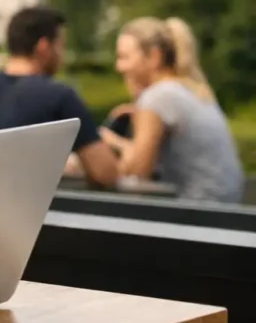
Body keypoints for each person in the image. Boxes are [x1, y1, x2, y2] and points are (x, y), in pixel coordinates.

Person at [0, 6, 118, 187]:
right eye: (60, 46)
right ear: (43, 47)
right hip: (33, 213)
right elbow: (105, 173)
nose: (62, 55)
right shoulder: (59, 97)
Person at [103, 17, 243, 203]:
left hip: (196, 217)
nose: (119, 67)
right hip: (228, 211)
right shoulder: (191, 89)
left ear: (154, 57)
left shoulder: (157, 97)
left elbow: (137, 175)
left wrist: (112, 142)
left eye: (125, 57)